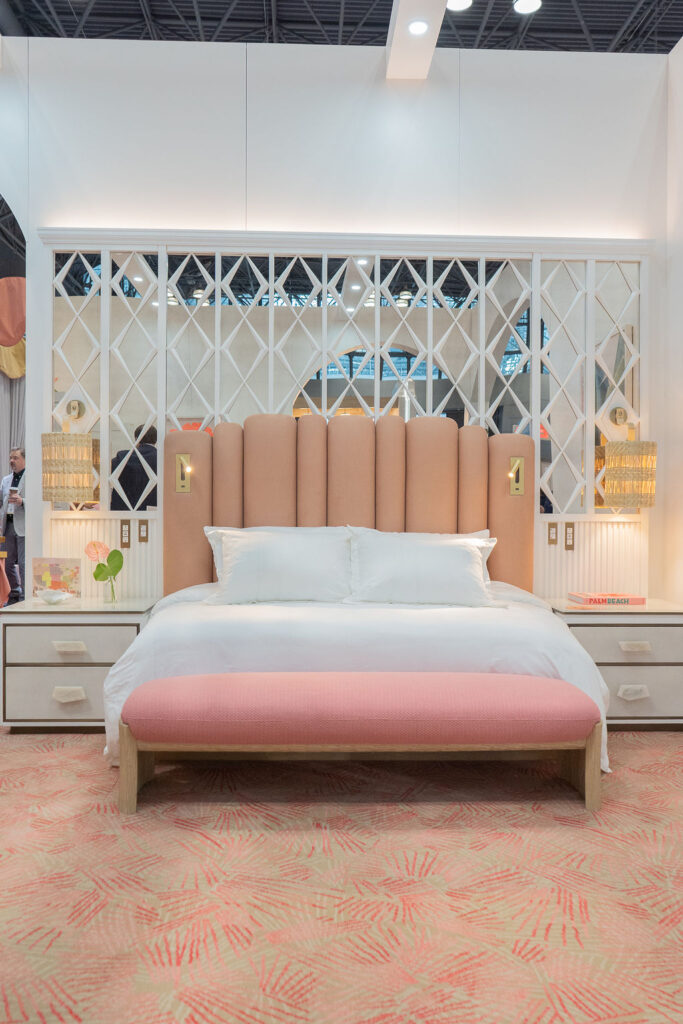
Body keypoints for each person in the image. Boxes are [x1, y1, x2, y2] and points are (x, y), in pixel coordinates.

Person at [110, 425, 157, 510]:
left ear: (136, 438)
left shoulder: (122, 457)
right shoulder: (163, 458)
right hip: (153, 513)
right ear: (156, 440)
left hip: (123, 514)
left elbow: (106, 474)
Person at [1, 446, 26, 604]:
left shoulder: (31, 478)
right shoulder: (5, 480)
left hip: (23, 526)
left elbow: (38, 502)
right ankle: (15, 591)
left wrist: (22, 501)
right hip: (8, 525)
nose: (12, 461)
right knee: (8, 562)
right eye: (11, 458)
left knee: (23, 563)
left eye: (15, 458)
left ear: (24, 460)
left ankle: (25, 596)